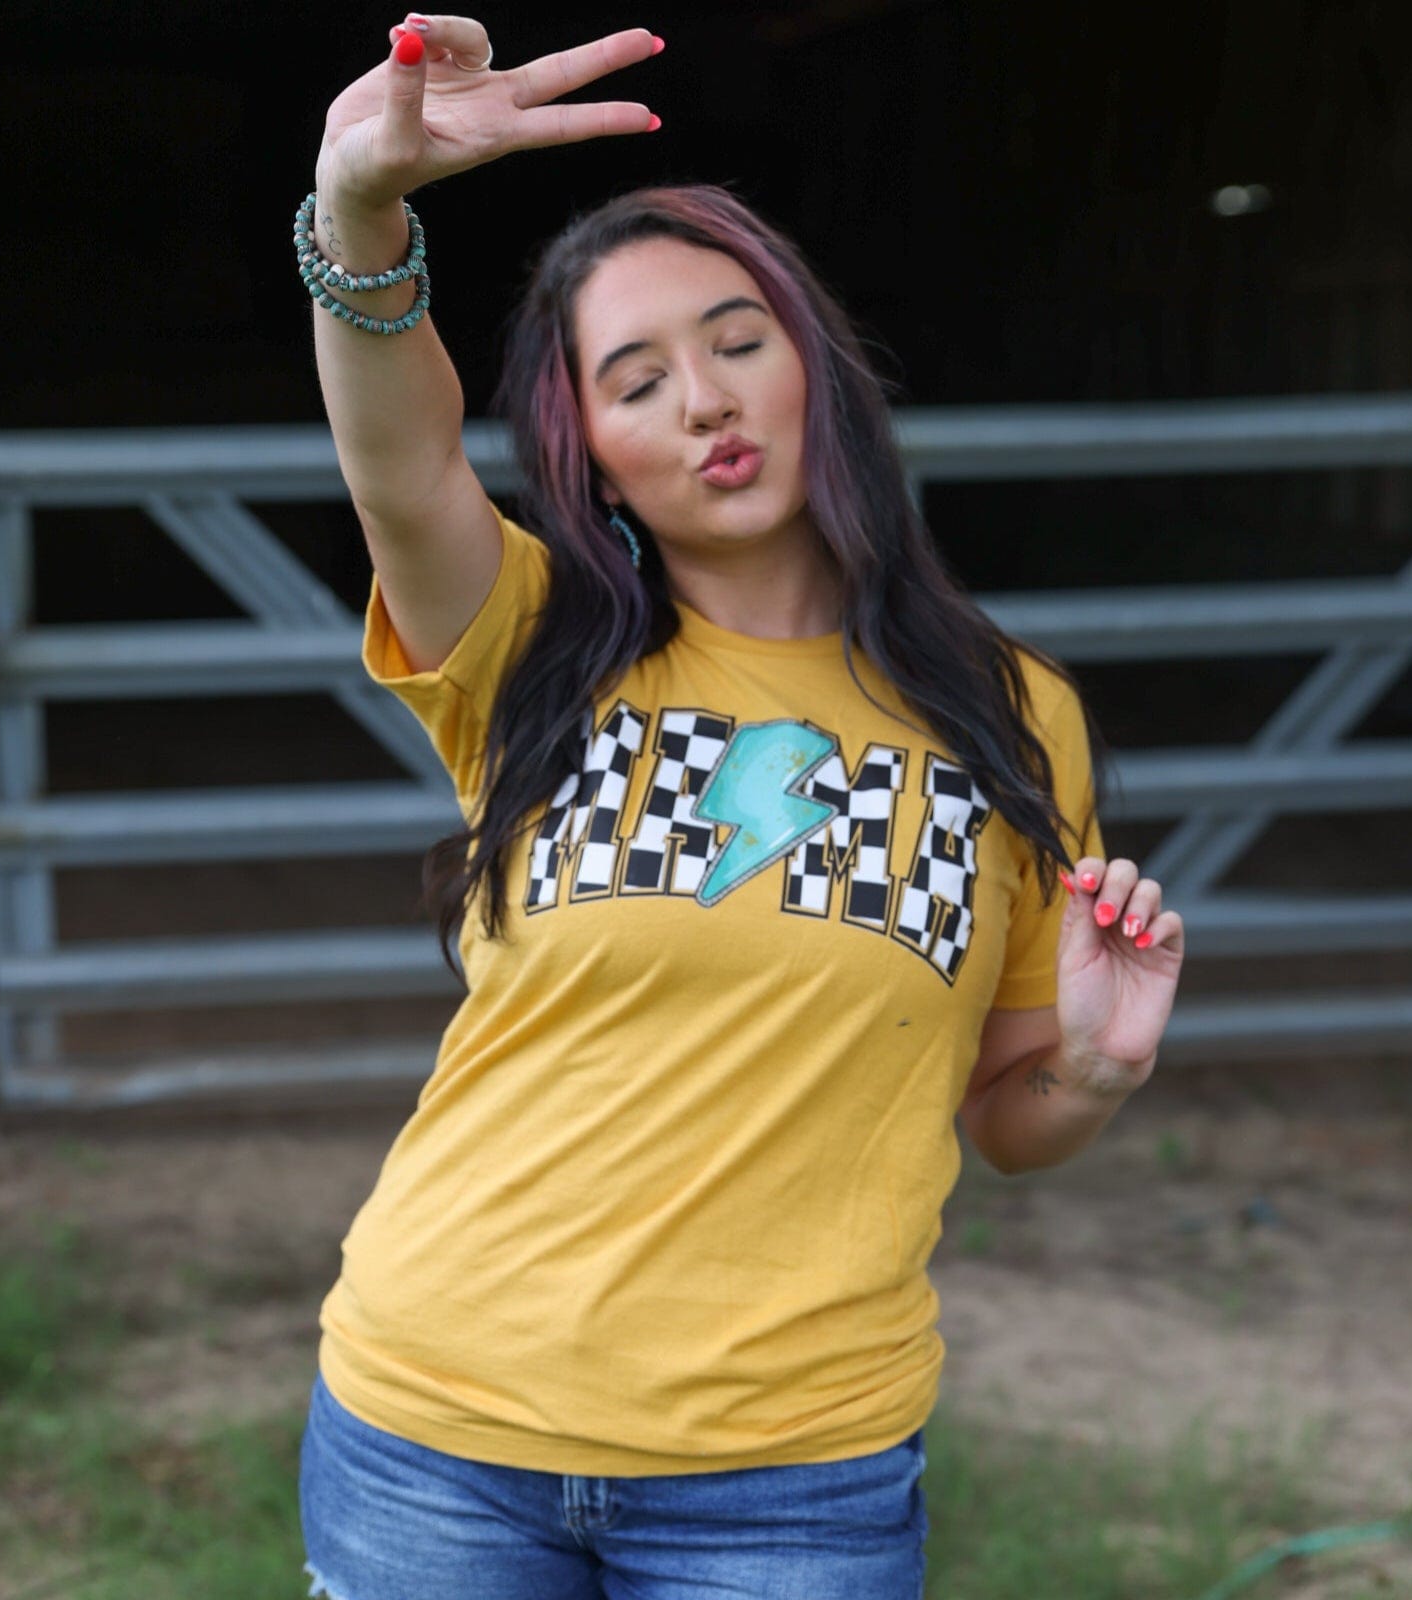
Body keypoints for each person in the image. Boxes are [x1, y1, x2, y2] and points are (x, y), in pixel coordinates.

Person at [295, 15, 1185, 1599]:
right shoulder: (530, 644)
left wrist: (1098, 1073)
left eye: (738, 343)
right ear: (595, 461)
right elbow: (400, 465)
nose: (704, 401)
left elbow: (1008, 1115)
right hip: (433, 1434)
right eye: (637, 382)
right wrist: (357, 210)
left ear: (815, 370)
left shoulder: (1011, 713)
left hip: (794, 1480)